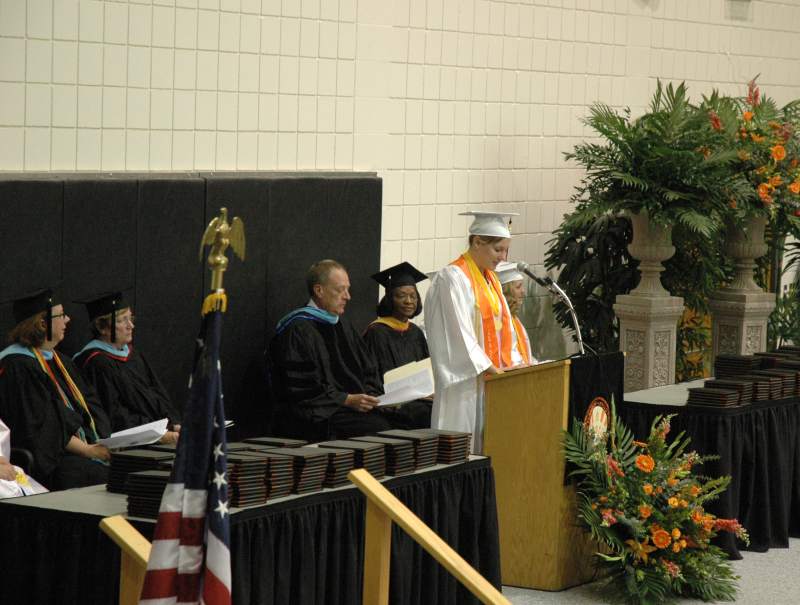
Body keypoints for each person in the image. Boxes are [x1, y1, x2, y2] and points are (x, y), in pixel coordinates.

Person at [269, 259, 408, 440]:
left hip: (351, 410)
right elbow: (302, 390)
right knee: (380, 432)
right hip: (319, 415)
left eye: (347, 289)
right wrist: (346, 400)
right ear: (319, 290)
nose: (347, 296)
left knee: (404, 420)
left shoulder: (344, 325)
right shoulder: (298, 330)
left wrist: (372, 398)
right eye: (340, 289)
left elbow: (368, 370)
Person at [424, 211, 523, 452]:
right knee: (464, 447)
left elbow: (505, 328)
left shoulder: (492, 281)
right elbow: (458, 333)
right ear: (478, 242)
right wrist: (491, 369)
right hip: (466, 384)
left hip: (493, 380)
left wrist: (516, 365)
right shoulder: (452, 278)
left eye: (506, 251)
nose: (503, 257)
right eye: (498, 249)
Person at [0, 288, 110, 490]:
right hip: (53, 461)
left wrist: (104, 442)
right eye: (61, 315)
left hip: (81, 452)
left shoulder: (62, 362)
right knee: (106, 479)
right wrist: (88, 451)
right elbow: (43, 427)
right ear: (43, 324)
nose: (68, 319)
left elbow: (91, 406)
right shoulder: (18, 365)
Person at [73, 292, 180, 444]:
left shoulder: (133, 354)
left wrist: (174, 422)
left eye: (131, 318)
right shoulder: (96, 362)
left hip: (159, 433)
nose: (131, 326)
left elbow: (157, 391)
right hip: (130, 443)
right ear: (102, 327)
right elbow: (115, 415)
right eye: (123, 320)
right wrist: (157, 434)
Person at [363, 261, 432, 429]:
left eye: (413, 296)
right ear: (390, 299)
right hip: (391, 405)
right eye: (401, 296)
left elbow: (425, 368)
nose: (409, 301)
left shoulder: (415, 332)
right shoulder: (377, 332)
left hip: (418, 400)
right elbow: (372, 378)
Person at [496, 261, 536, 366]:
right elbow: (507, 357)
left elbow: (524, 354)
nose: (523, 291)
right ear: (506, 292)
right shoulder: (499, 322)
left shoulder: (514, 320)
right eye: (518, 287)